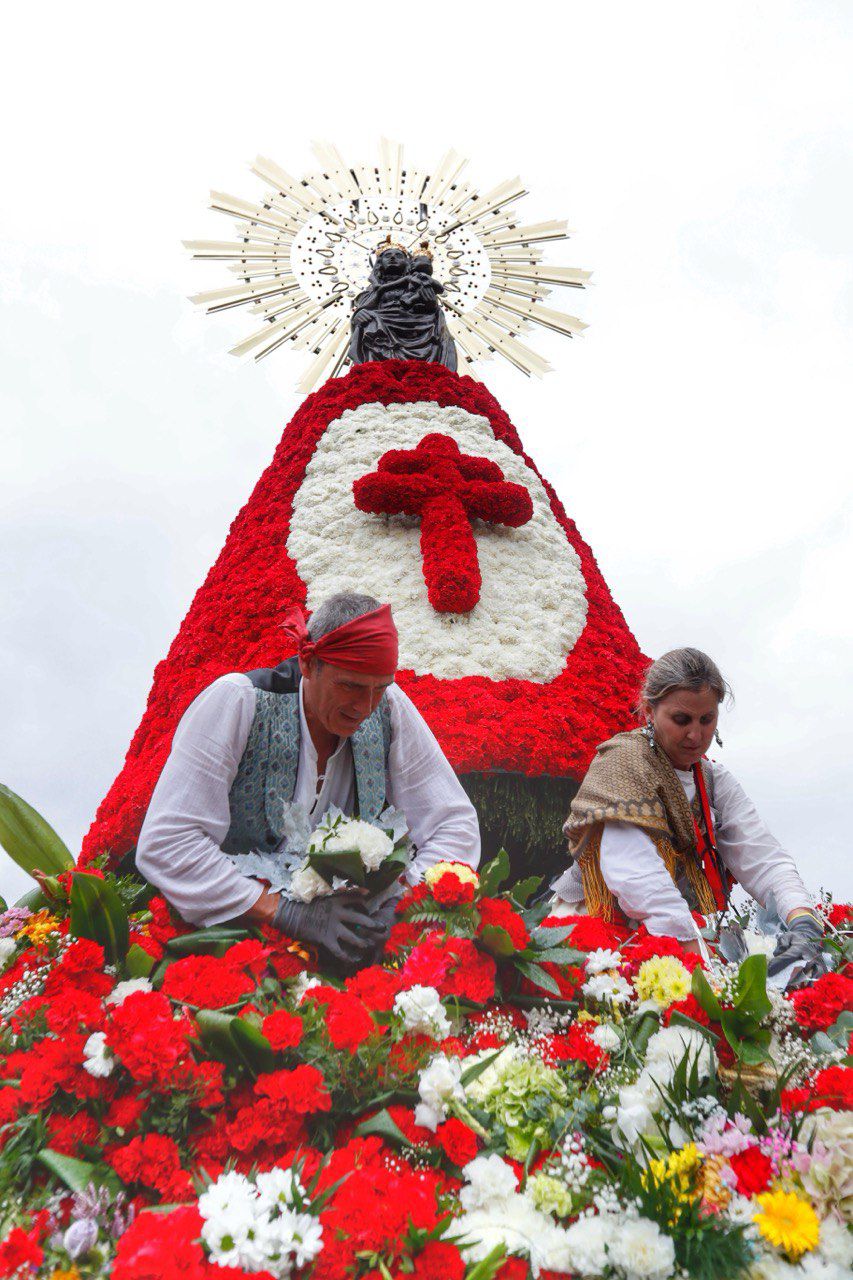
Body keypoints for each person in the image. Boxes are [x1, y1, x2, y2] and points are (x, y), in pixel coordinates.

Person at [136, 591, 480, 967]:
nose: (365, 707)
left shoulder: (390, 707)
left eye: (379, 688)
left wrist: (404, 902)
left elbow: (453, 823)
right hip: (231, 943)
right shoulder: (237, 701)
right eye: (350, 686)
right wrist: (283, 912)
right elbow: (169, 844)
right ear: (308, 662)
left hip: (347, 946)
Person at [550, 648, 825, 982]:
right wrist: (704, 968)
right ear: (649, 711)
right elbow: (637, 877)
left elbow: (762, 858)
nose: (695, 735)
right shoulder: (622, 763)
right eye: (681, 720)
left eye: (706, 720)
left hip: (672, 932)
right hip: (596, 930)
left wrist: (803, 922)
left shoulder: (713, 778)